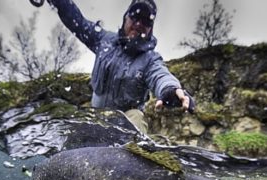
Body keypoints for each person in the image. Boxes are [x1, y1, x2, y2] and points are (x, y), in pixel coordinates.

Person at [46, 0, 195, 133]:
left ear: (151, 29)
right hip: (95, 116)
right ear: (125, 18)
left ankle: (132, 158)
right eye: (135, 17)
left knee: (136, 117)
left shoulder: (150, 59)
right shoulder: (103, 40)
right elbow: (77, 22)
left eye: (145, 21)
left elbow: (160, 75)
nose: (138, 24)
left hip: (125, 122)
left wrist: (170, 89)